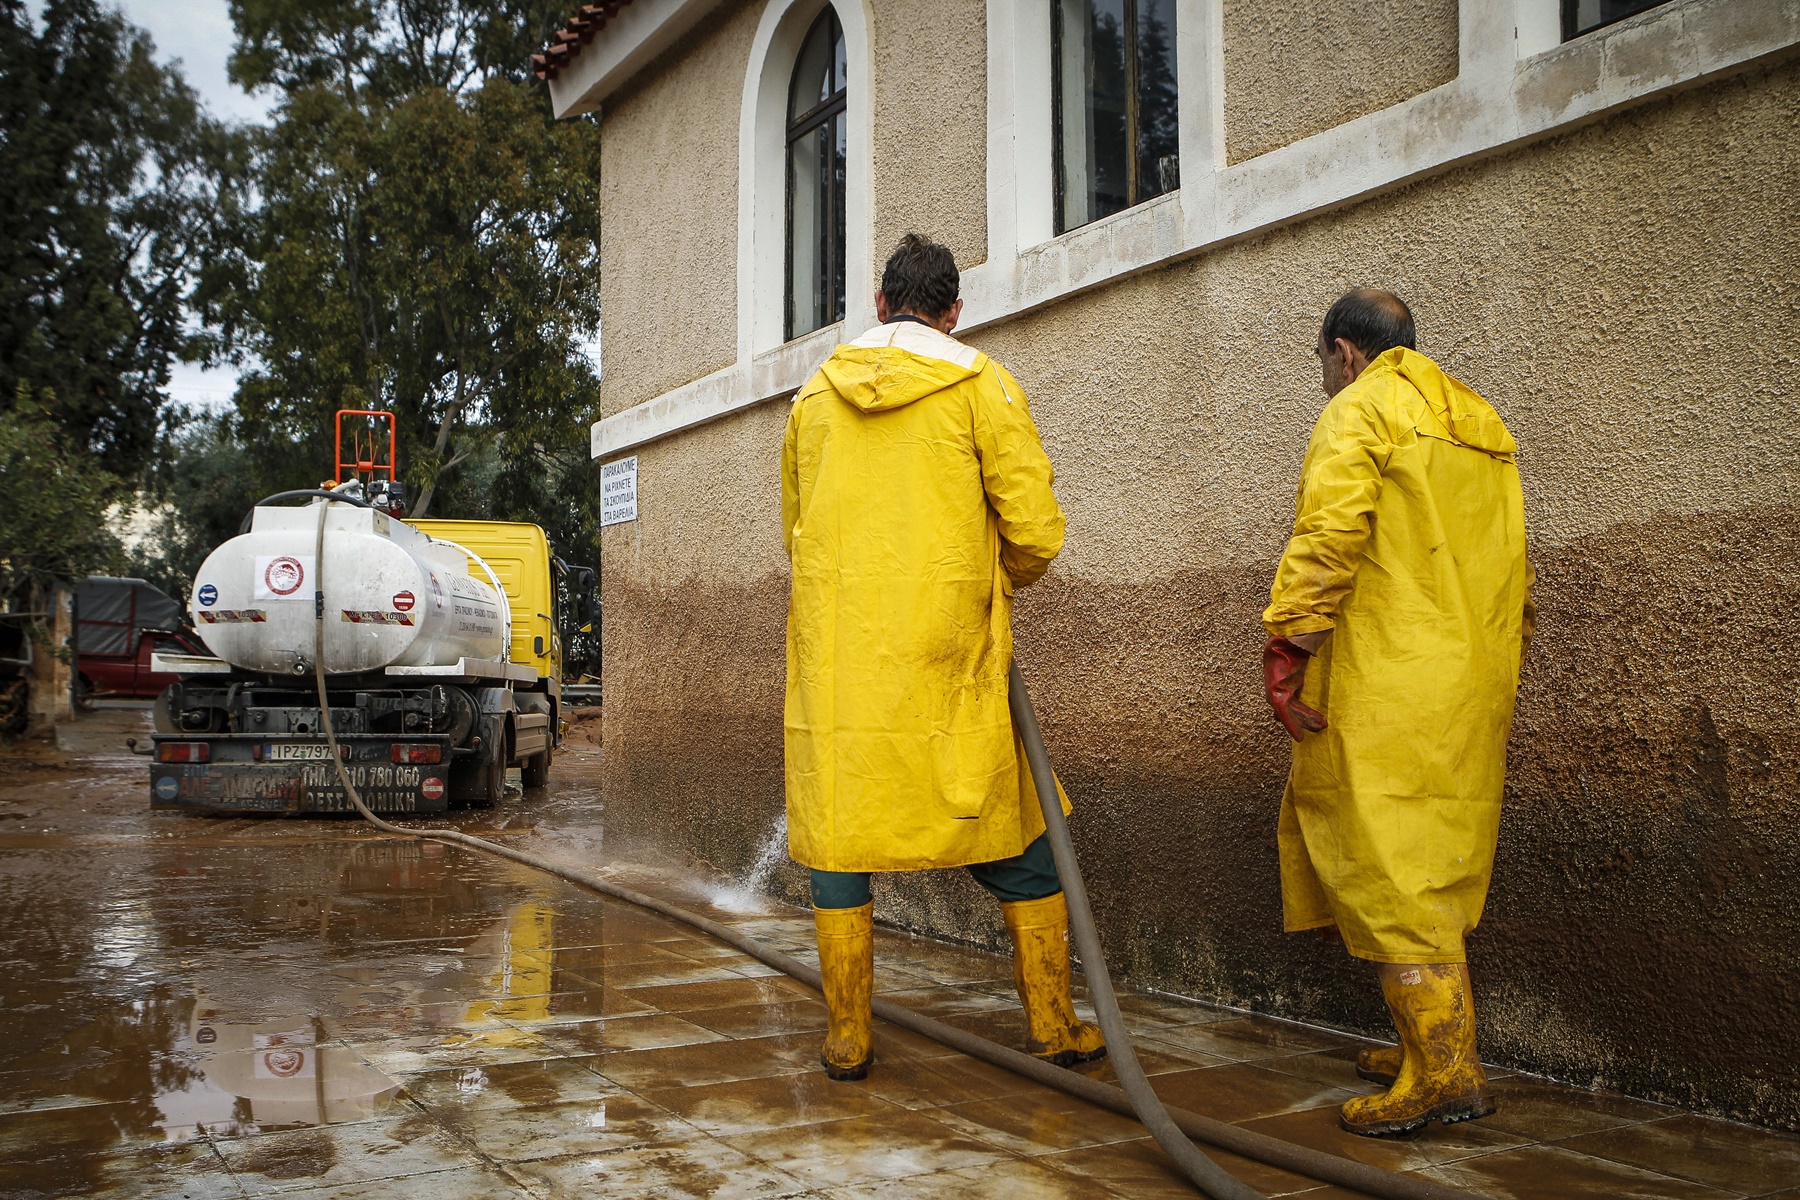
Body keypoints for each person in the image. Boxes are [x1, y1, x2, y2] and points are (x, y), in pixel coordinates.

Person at [781, 234, 1104, 1081]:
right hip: (948, 660)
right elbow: (1035, 532)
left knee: (844, 841)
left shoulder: (815, 396)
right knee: (1016, 832)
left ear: (880, 305)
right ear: (954, 312)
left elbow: (798, 530)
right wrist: (988, 578)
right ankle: (1053, 1023)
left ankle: (849, 1034)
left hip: (844, 669)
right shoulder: (981, 383)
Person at [1262, 289, 1533, 1137]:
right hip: (1471, 676)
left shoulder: (1359, 411)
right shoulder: (1481, 422)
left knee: (1387, 863)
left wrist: (1288, 644)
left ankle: (1446, 1072)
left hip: (1389, 676)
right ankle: (1429, 1046)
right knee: (1437, 857)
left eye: (1323, 366)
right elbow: (1512, 555)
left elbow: (1330, 533)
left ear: (1345, 353)